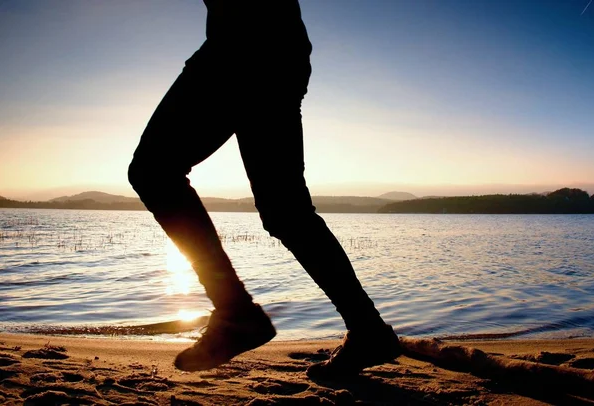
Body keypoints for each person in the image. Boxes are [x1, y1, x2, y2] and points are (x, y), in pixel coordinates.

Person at [128, 0, 401, 379]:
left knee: (153, 171)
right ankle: (368, 330)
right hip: (280, 50)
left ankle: (234, 311)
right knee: (286, 211)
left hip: (240, 44)